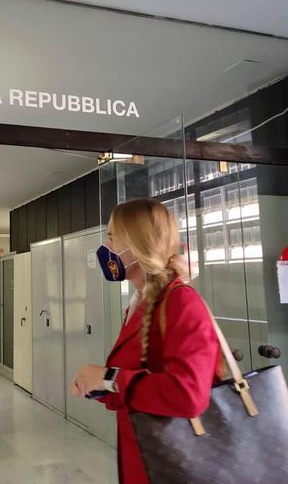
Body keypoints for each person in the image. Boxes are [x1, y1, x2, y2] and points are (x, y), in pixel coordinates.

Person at [71, 199, 220, 484]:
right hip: (142, 458)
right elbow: (139, 379)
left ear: (137, 244)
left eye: (112, 238)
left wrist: (109, 378)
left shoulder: (181, 301)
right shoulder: (139, 303)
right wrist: (99, 386)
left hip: (174, 465)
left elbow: (189, 396)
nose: (106, 247)